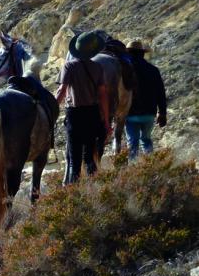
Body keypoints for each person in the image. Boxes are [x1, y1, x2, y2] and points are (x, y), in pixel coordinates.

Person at [56, 31, 111, 184]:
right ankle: (94, 192)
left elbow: (62, 91)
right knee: (89, 159)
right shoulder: (98, 67)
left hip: (74, 115)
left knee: (74, 161)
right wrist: (106, 121)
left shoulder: (69, 66)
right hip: (93, 115)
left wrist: (51, 110)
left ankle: (75, 195)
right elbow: (103, 95)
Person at [124, 40, 167, 159]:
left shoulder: (125, 71)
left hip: (131, 113)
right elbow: (161, 93)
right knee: (146, 140)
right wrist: (162, 113)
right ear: (142, 53)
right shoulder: (153, 70)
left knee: (132, 142)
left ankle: (133, 171)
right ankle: (149, 166)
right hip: (149, 113)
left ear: (129, 53)